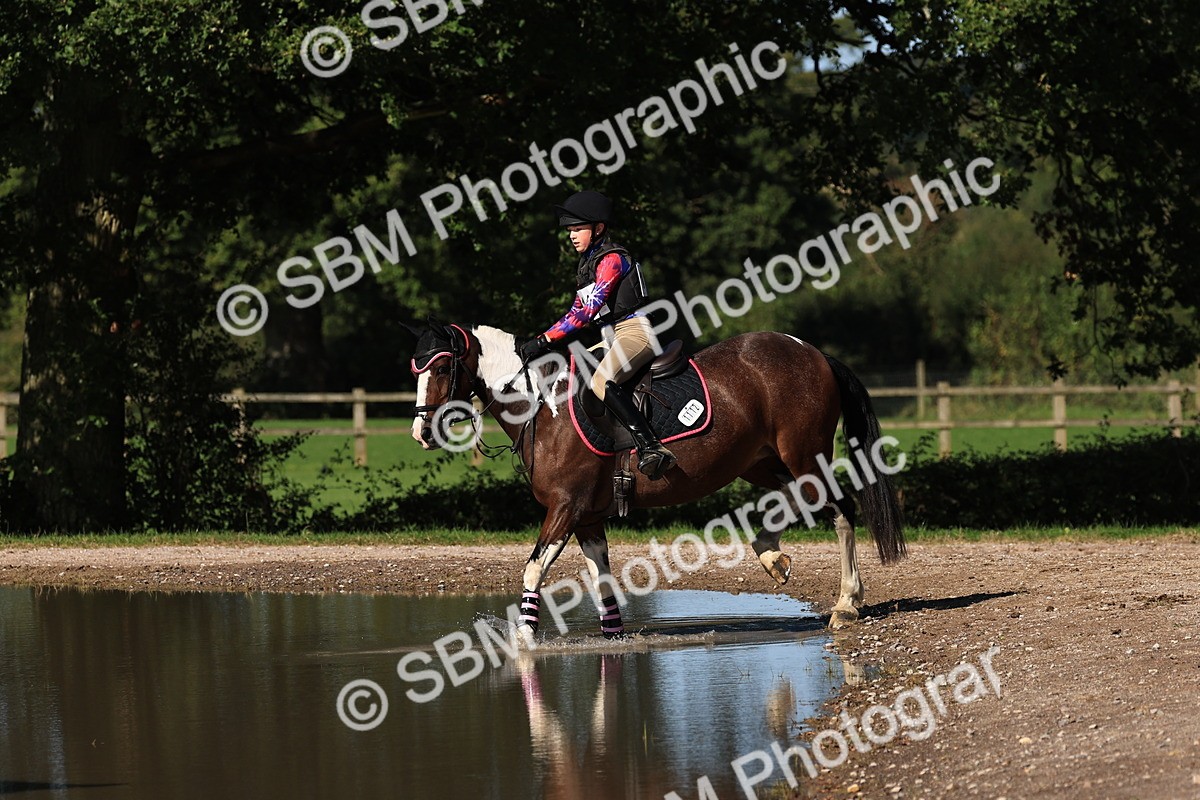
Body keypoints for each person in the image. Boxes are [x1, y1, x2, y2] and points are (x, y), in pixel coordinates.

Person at [519, 190, 677, 480]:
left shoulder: (612, 260)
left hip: (635, 332)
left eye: (577, 229)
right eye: (569, 230)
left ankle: (652, 447)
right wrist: (543, 339)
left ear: (598, 228)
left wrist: (544, 340)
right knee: (572, 377)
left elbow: (585, 313)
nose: (571, 235)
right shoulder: (589, 264)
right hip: (611, 334)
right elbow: (575, 311)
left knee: (602, 379)